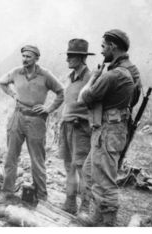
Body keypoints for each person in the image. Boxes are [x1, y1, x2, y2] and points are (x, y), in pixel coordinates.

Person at [77, 29, 140, 226]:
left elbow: (85, 98)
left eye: (103, 46)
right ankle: (97, 214)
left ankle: (107, 222)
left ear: (113, 46)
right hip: (111, 127)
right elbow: (135, 97)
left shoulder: (113, 74)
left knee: (106, 178)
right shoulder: (129, 71)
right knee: (92, 171)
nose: (102, 51)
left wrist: (94, 78)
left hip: (108, 130)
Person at [0, 45, 64, 202]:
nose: (25, 59)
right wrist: (13, 94)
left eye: (28, 56)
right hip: (18, 117)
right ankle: (7, 191)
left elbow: (61, 92)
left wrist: (49, 108)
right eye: (23, 56)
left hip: (36, 120)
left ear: (36, 58)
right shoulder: (16, 72)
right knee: (11, 156)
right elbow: (2, 82)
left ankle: (41, 195)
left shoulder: (45, 75)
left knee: (37, 159)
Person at [59, 39, 94, 215]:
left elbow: (95, 105)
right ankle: (70, 202)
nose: (67, 60)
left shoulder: (91, 77)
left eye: (70, 56)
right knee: (68, 166)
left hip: (80, 128)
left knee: (82, 168)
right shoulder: (69, 77)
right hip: (66, 126)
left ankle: (85, 207)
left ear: (81, 58)